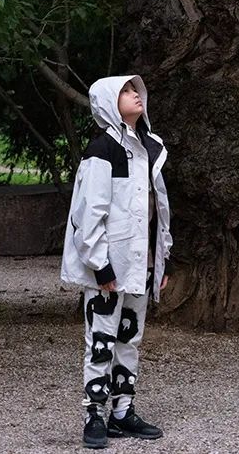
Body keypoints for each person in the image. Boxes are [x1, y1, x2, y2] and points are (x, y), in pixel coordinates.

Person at [61, 73, 172, 448]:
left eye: (136, 88)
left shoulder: (149, 147)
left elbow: (158, 211)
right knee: (102, 338)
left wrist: (162, 261)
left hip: (141, 263)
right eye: (125, 91)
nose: (135, 94)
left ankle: (122, 410)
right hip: (109, 266)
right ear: (109, 101)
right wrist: (101, 265)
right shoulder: (102, 150)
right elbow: (90, 213)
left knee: (130, 336)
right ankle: (94, 412)